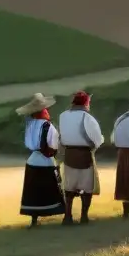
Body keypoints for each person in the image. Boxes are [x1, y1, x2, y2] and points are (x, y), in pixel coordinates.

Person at [16, 93, 65, 227]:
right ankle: (61, 213)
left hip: (32, 160)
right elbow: (54, 145)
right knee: (50, 189)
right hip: (45, 161)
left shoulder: (30, 126)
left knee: (33, 193)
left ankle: (34, 220)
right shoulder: (48, 126)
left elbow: (28, 143)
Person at [58, 91, 104, 224]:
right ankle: (84, 216)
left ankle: (67, 216)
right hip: (84, 155)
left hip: (69, 154)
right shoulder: (88, 118)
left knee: (69, 188)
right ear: (86, 103)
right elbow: (98, 140)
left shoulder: (63, 116)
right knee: (87, 188)